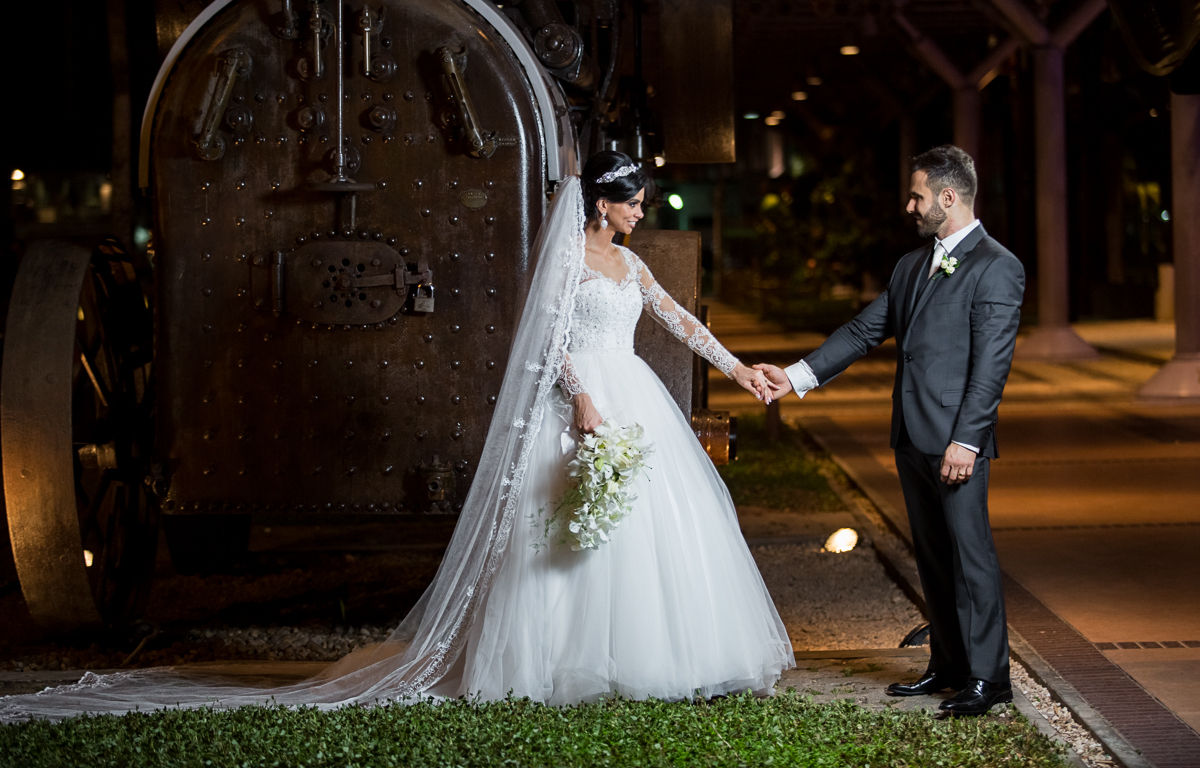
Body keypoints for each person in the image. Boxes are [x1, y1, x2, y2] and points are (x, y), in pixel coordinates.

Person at [1, 152, 793, 721]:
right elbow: (547, 339)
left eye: (642, 205)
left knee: (650, 524)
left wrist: (739, 370)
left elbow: (678, 322)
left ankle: (660, 655)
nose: (642, 212)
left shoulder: (632, 265)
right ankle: (559, 660)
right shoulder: (566, 262)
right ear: (601, 206)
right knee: (557, 527)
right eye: (633, 204)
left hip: (635, 394)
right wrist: (582, 399)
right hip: (581, 395)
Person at [756, 145, 1025, 718]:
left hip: (956, 442)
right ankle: (948, 665)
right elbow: (862, 332)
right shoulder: (910, 266)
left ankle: (989, 678)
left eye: (917, 197)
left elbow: (991, 368)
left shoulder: (997, 266)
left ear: (947, 197)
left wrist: (968, 440)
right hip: (911, 436)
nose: (909, 206)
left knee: (970, 558)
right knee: (932, 557)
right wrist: (795, 376)